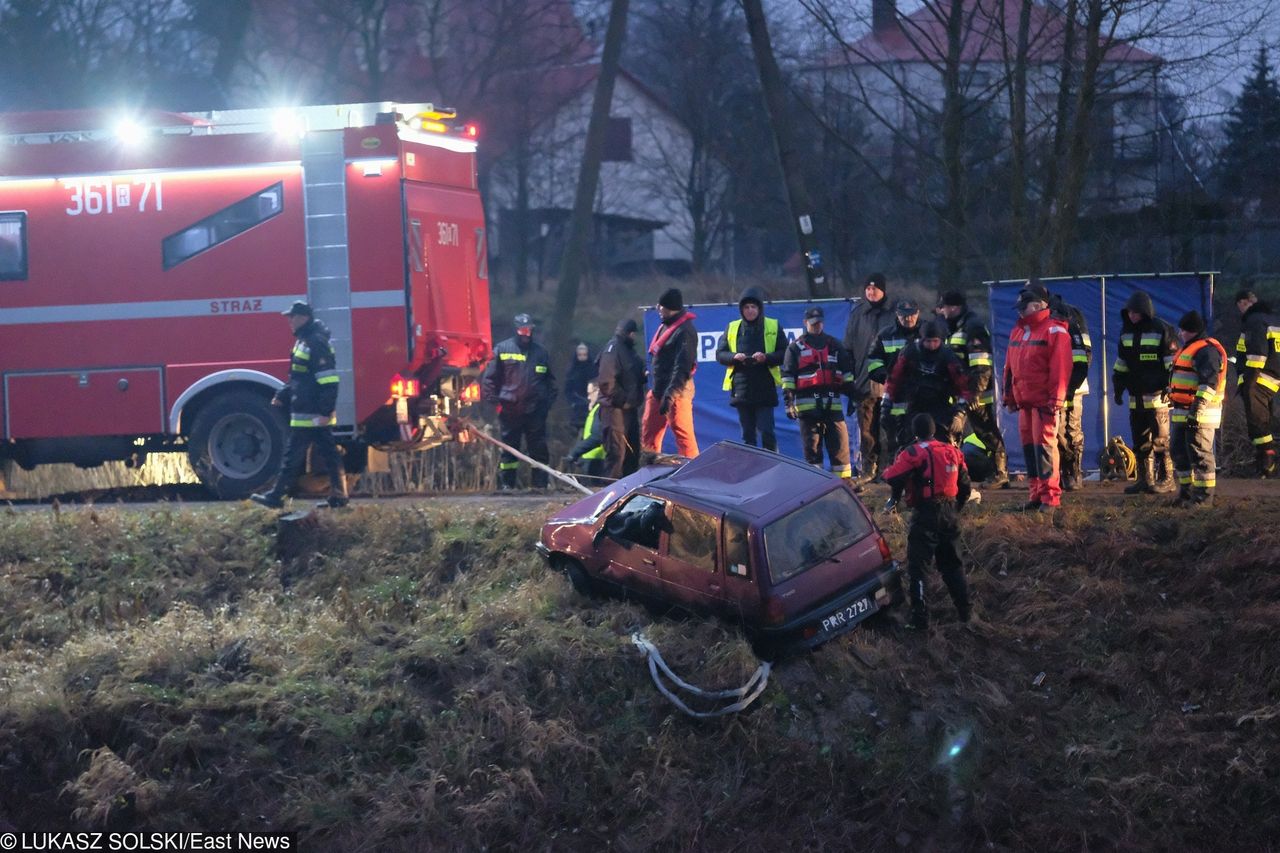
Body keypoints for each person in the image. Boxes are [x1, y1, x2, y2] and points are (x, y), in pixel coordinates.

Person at [251, 301, 348, 509]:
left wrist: (324, 411)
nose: (289, 321)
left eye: (292, 317)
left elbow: (329, 380)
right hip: (307, 411)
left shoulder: (316, 342)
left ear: (303, 317)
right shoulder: (304, 340)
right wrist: (282, 394)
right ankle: (339, 497)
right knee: (327, 455)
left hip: (312, 413)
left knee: (294, 455)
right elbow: (298, 377)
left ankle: (276, 497)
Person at [882, 413, 973, 630]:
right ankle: (966, 614)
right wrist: (955, 508)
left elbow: (891, 477)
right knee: (953, 566)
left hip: (926, 514)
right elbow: (966, 487)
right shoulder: (953, 452)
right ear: (934, 430)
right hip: (949, 512)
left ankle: (919, 620)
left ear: (915, 432)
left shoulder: (912, 453)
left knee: (918, 568)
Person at [1002, 285, 1072, 513]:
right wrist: (1009, 396)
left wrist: (1056, 401)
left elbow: (1060, 371)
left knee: (1044, 449)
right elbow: (1009, 367)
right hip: (1026, 403)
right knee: (1031, 450)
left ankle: (1050, 498)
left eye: (1024, 307)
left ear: (1039, 305)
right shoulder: (1019, 331)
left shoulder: (1055, 332)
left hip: (1043, 403)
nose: (1020, 312)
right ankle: (1036, 494)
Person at [1112, 290, 1179, 495]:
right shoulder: (1126, 332)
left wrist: (1170, 387)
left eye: (1135, 312)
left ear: (1145, 311)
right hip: (1136, 397)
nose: (1131, 315)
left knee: (1161, 440)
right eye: (1129, 312)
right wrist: (1118, 386)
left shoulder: (1162, 330)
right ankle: (1145, 480)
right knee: (1140, 441)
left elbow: (1171, 365)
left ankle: (1167, 479)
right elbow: (1122, 363)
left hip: (1158, 396)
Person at [939, 290, 1008, 486]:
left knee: (985, 431)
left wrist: (975, 393)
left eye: (944, 308)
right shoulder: (955, 327)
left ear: (954, 307)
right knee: (960, 432)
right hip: (961, 392)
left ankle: (1000, 472)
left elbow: (981, 364)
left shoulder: (973, 327)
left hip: (976, 393)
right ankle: (958, 475)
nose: (941, 312)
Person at [480, 313, 556, 490]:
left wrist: (545, 405)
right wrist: (496, 404)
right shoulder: (502, 349)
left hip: (535, 411)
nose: (526, 333)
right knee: (509, 450)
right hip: (509, 410)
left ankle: (539, 486)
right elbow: (489, 380)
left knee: (538, 450)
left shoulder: (541, 352)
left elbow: (550, 382)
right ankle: (507, 485)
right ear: (516, 330)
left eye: (529, 330)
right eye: (522, 330)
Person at [781, 306, 855, 478]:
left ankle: (844, 484)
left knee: (840, 445)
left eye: (819, 323)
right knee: (812, 449)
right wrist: (789, 403)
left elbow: (847, 372)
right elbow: (788, 377)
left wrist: (853, 396)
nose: (816, 326)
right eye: (813, 323)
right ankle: (816, 485)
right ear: (805, 323)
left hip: (832, 405)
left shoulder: (835, 345)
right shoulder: (794, 348)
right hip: (807, 407)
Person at [715, 287, 786, 451]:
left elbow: (784, 353)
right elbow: (720, 354)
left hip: (765, 387)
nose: (750, 310)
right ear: (741, 310)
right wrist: (734, 357)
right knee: (747, 436)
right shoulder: (732, 327)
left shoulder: (773, 325)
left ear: (759, 308)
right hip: (742, 389)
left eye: (753, 307)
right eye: (746, 307)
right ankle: (751, 471)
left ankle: (772, 468)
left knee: (767, 432)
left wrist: (767, 358)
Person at [1168, 311, 1227, 507]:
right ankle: (1186, 494)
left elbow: (1209, 383)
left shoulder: (1206, 351)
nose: (1180, 333)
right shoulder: (1191, 348)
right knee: (1179, 452)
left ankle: (1203, 498)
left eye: (1183, 330)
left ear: (1190, 330)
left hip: (1200, 413)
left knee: (1200, 454)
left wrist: (1197, 410)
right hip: (1182, 411)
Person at [884, 319, 969, 446]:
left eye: (935, 341)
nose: (932, 345)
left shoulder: (948, 356)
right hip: (915, 405)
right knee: (910, 443)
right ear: (922, 339)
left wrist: (960, 413)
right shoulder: (910, 353)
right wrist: (886, 403)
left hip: (941, 406)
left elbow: (963, 385)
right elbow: (894, 379)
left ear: (941, 340)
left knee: (944, 444)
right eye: (928, 341)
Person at [843, 273, 894, 480]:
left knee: (889, 429)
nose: (871, 292)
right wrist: (850, 381)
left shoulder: (893, 313)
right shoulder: (857, 314)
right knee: (867, 430)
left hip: (890, 382)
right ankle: (869, 468)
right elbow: (847, 348)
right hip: (863, 382)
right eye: (868, 289)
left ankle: (889, 468)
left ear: (883, 290)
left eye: (875, 288)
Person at [641, 288, 699, 459]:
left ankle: (692, 473)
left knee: (683, 436)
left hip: (677, 392)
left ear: (670, 307)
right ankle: (649, 473)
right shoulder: (665, 326)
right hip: (658, 389)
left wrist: (670, 394)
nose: (658, 308)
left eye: (661, 306)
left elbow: (683, 367)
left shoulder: (685, 331)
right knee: (648, 434)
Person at [1047, 290, 1092, 491]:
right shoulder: (1040, 322)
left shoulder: (1072, 318)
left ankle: (1073, 472)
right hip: (1053, 389)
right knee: (1056, 432)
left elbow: (1084, 356)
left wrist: (1071, 387)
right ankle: (1061, 473)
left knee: (1072, 430)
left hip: (1074, 387)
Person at [866, 299, 922, 459]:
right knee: (895, 439)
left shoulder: (927, 332)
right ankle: (896, 474)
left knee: (922, 439)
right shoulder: (885, 335)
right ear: (897, 315)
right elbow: (873, 362)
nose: (908, 319)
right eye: (904, 315)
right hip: (895, 395)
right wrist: (888, 378)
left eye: (911, 315)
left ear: (917, 314)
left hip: (922, 395)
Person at [1234, 289, 1280, 477]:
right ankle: (1263, 463)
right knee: (1264, 420)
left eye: (1240, 306)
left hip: (1258, 378)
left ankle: (1267, 462)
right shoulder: (1272, 320)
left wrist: (1249, 383)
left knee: (1258, 423)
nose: (1240, 311)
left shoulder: (1254, 321)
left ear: (1245, 303)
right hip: (1273, 377)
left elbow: (1256, 355)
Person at [595, 317, 646, 478]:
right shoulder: (613, 349)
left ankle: (628, 488)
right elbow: (606, 382)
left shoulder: (627, 350)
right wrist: (624, 401)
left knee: (632, 451)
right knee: (616, 452)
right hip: (615, 409)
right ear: (630, 333)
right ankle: (612, 488)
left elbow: (636, 369)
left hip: (627, 408)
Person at [564, 383, 606, 480]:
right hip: (591, 460)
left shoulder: (600, 409)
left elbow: (596, 437)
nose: (588, 397)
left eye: (590, 393)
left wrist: (574, 453)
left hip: (595, 463)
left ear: (598, 391)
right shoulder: (597, 408)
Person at [563, 342, 594, 436]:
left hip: (591, 405)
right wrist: (573, 402)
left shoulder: (593, 369)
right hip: (577, 406)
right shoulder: (572, 370)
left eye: (584, 354)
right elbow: (568, 389)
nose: (582, 357)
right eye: (580, 354)